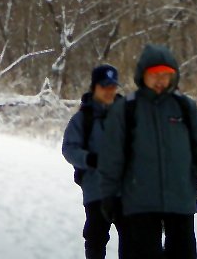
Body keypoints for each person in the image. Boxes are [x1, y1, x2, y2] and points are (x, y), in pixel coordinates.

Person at [97, 44, 197, 259]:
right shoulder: (126, 109)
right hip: (140, 203)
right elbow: (112, 157)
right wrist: (108, 194)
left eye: (166, 75)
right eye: (154, 74)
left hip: (180, 201)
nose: (160, 80)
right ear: (142, 75)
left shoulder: (185, 107)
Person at [62, 64, 125, 259]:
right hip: (95, 189)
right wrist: (89, 159)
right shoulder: (82, 119)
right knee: (96, 239)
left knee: (133, 240)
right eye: (104, 86)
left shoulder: (127, 116)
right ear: (94, 87)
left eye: (113, 86)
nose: (109, 91)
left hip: (126, 189)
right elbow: (69, 149)